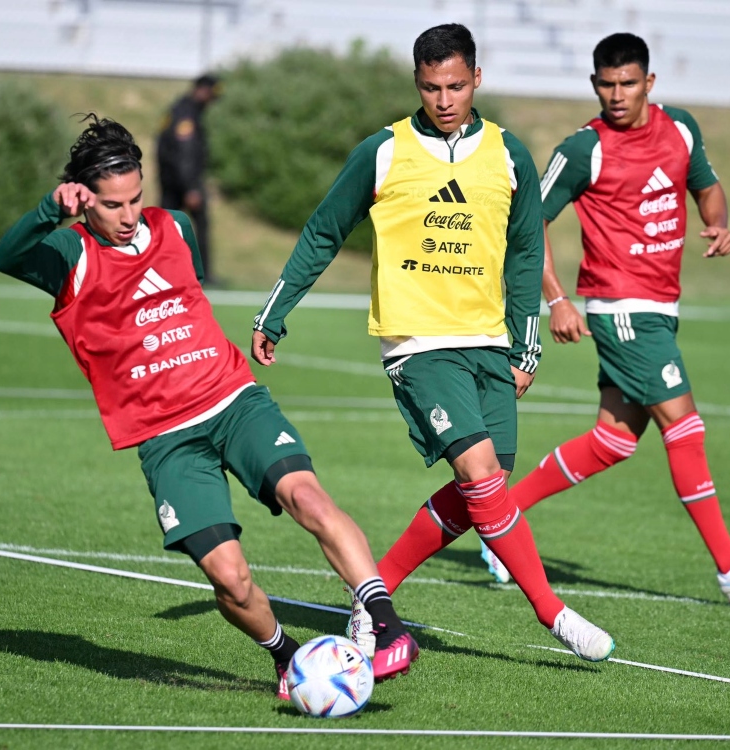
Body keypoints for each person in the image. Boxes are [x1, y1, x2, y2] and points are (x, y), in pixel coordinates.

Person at [0, 115, 419, 697]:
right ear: (85, 199)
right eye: (112, 204)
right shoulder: (69, 253)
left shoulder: (178, 228)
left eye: (136, 198)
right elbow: (7, 258)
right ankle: (289, 659)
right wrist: (49, 209)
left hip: (233, 400)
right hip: (166, 438)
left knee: (307, 496)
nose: (129, 214)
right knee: (230, 580)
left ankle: (386, 625)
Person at [252, 24, 615, 663]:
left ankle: (374, 595)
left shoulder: (509, 156)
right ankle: (551, 613)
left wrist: (525, 345)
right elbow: (322, 232)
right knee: (479, 475)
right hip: (418, 345)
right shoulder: (383, 151)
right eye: (429, 87)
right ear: (415, 83)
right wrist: (274, 313)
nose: (443, 99)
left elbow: (528, 251)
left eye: (454, 85)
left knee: (489, 489)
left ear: (477, 78)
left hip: (489, 343)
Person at [496, 32, 730, 603]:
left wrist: (719, 222)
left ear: (649, 84)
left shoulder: (680, 128)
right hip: (621, 307)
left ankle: (500, 521)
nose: (617, 94)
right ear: (594, 85)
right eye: (607, 84)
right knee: (683, 424)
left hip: (662, 306)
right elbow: (526, 224)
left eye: (628, 83)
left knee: (614, 440)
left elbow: (707, 189)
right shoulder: (584, 149)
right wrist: (557, 298)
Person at [157, 74, 219, 284]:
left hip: (170, 181)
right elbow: (185, 152)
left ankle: (161, 274)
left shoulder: (178, 108)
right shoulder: (187, 113)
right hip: (182, 183)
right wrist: (191, 187)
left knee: (165, 228)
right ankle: (203, 275)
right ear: (203, 91)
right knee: (196, 225)